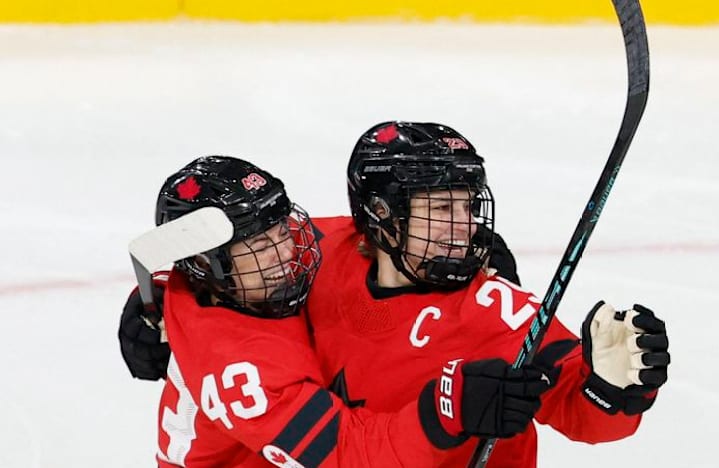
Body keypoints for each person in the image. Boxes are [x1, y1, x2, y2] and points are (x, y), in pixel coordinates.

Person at [119, 123, 671, 467]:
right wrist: (445, 410)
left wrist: (613, 389)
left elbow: (583, 408)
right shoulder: (248, 357)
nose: (463, 227)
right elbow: (348, 452)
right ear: (382, 216)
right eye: (440, 209)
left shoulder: (312, 252)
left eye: (466, 206)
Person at [142, 155, 551, 467]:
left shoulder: (240, 280)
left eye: (281, 229)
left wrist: (444, 241)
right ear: (206, 263)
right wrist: (447, 411)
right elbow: (350, 453)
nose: (287, 252)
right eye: (263, 246)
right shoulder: (240, 368)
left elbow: (337, 233)